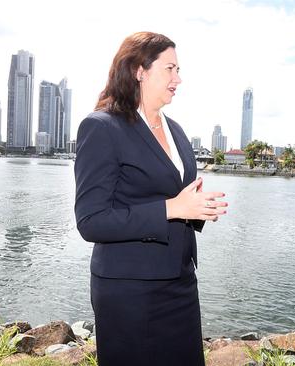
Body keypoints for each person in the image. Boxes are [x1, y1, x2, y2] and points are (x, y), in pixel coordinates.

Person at [74, 31, 227, 366]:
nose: (179, 79)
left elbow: (173, 195)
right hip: (129, 291)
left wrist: (197, 208)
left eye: (179, 70)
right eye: (170, 69)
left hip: (181, 283)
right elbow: (91, 221)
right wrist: (173, 208)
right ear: (140, 70)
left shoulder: (178, 130)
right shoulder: (101, 127)